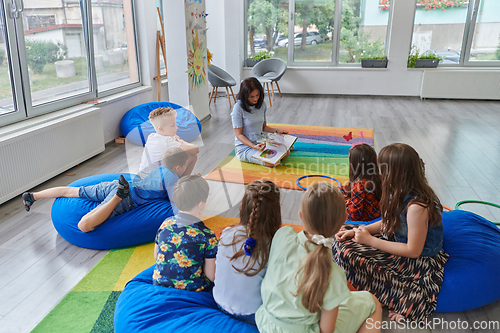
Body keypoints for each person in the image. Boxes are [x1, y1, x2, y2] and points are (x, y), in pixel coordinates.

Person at [335, 143, 449, 322]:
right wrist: (360, 230)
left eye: (382, 168)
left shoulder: (417, 206)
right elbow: (387, 222)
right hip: (395, 241)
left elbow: (414, 251)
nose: (378, 172)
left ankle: (404, 299)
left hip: (418, 262)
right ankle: (383, 292)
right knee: (341, 238)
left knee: (349, 253)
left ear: (396, 173)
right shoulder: (395, 190)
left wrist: (370, 241)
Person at [255, 182, 382, 333]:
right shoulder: (333, 272)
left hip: (266, 324)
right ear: (344, 219)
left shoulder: (282, 235)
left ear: (301, 215)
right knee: (372, 302)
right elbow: (326, 330)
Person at [22, 147, 190, 233]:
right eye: (184, 167)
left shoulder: (159, 168)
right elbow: (178, 203)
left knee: (71, 191)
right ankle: (117, 197)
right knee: (84, 226)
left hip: (116, 184)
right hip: (126, 197)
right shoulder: (172, 178)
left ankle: (32, 196)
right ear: (177, 167)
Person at [213, 180, 281, 325]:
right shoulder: (274, 246)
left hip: (219, 303)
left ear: (242, 207)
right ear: (276, 212)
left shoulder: (227, 233)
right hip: (253, 314)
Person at [153, 175, 218, 292]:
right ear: (201, 204)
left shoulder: (165, 223)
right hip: (193, 290)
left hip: (159, 284)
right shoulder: (207, 235)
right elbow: (211, 276)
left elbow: (156, 256)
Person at [231, 77, 290, 167]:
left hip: (261, 143)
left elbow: (263, 127)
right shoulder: (238, 108)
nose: (256, 99)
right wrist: (254, 146)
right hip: (245, 148)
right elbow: (239, 135)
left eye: (257, 95)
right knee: (273, 162)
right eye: (252, 96)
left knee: (286, 153)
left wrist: (277, 131)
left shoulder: (262, 105)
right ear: (244, 95)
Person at [138, 107, 199, 178]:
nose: (176, 127)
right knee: (192, 156)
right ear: (161, 129)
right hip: (157, 181)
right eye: (173, 125)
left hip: (143, 176)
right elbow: (195, 150)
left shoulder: (152, 136)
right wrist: (181, 141)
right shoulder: (166, 141)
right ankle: (182, 181)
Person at [338, 143, 382, 222]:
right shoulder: (378, 177)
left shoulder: (359, 184)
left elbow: (354, 215)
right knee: (339, 190)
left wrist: (343, 207)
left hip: (366, 218)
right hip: (377, 213)